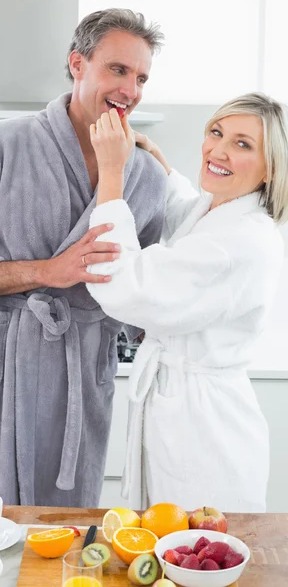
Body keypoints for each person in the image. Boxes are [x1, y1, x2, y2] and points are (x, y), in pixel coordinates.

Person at [0, 9, 167, 506]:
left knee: (64, 542)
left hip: (78, 374)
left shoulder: (145, 178)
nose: (131, 89)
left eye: (141, 77)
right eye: (117, 70)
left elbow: (146, 289)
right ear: (78, 64)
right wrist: (47, 273)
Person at [86, 93, 288, 512]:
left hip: (206, 434)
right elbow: (183, 215)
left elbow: (126, 286)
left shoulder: (240, 243)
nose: (219, 150)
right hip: (184, 413)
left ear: (271, 169)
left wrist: (111, 172)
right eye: (216, 133)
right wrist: (158, 159)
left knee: (199, 562)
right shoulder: (224, 213)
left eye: (243, 144)